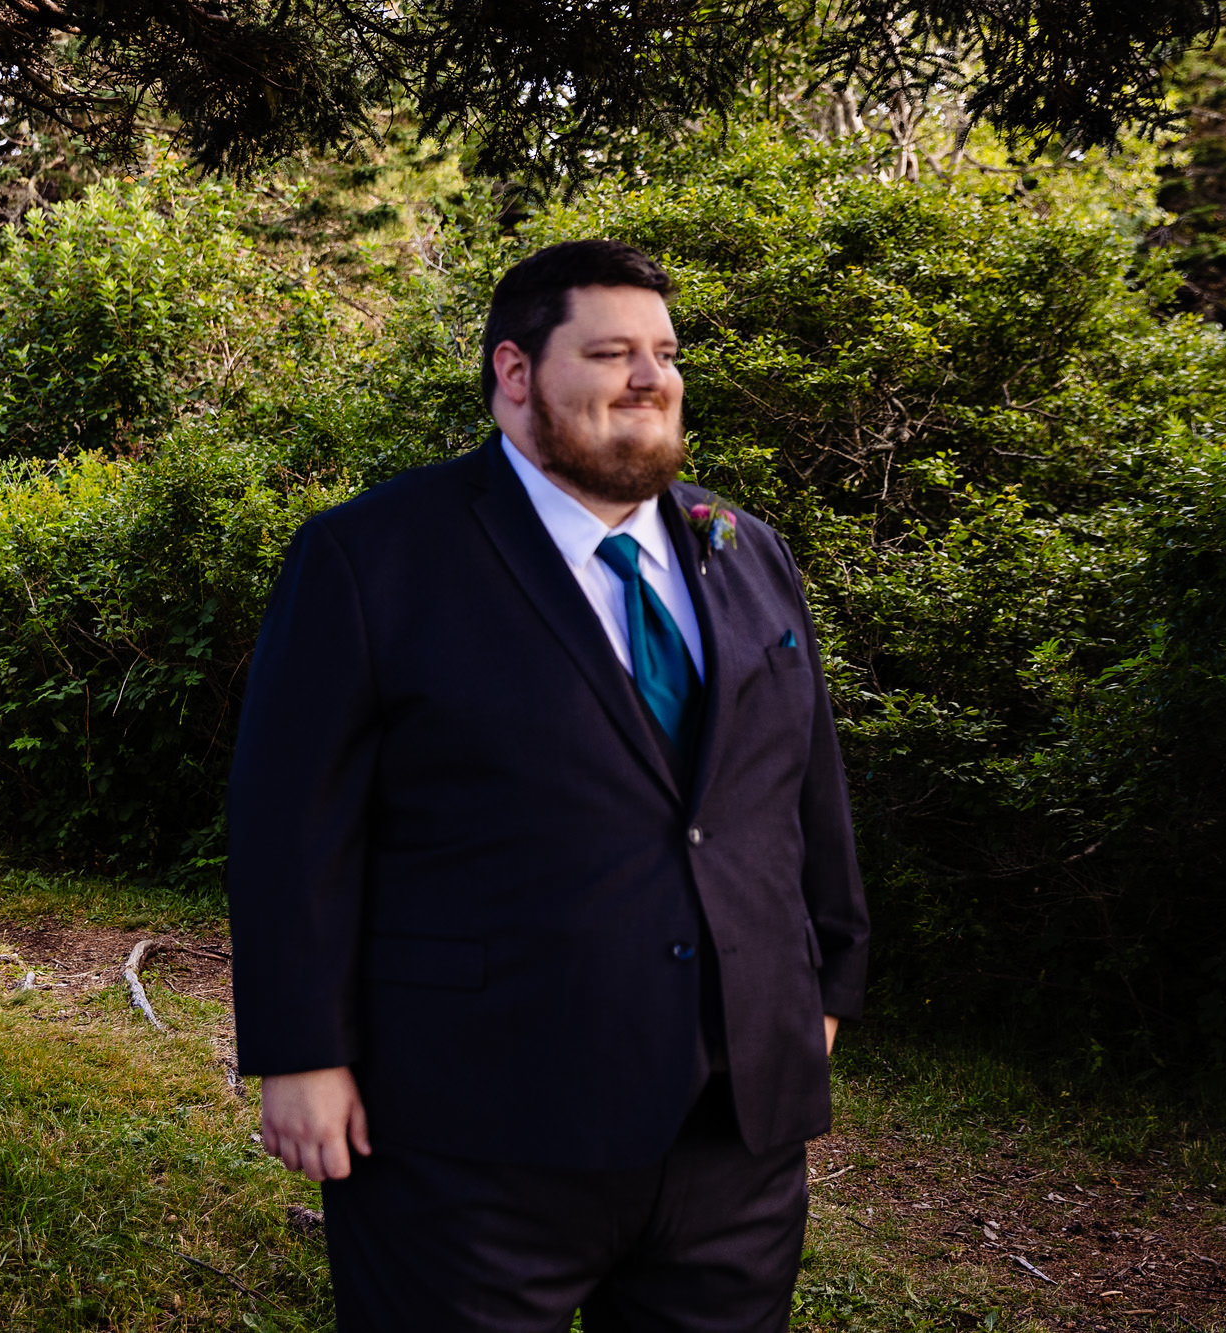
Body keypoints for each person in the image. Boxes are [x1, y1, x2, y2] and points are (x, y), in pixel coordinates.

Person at [227, 240, 869, 1331]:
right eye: (611, 351)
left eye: (663, 353)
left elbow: (801, 790)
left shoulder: (748, 550)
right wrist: (300, 1052)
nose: (650, 377)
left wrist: (823, 987)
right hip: (467, 1128)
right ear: (514, 373)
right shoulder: (370, 556)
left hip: (732, 1138)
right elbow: (291, 824)